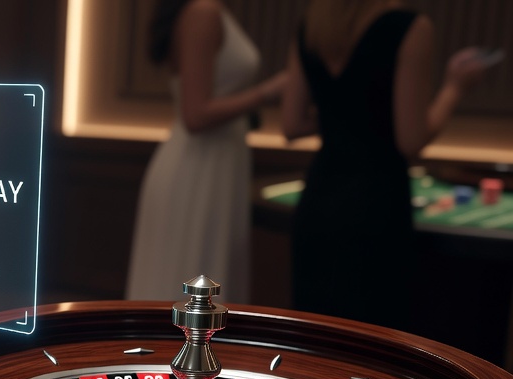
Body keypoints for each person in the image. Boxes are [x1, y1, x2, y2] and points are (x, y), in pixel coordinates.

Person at [281, 0, 494, 331]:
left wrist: (342, 112)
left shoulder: (312, 26)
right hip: (376, 201)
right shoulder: (409, 27)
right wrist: (455, 87)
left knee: (318, 336)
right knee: (375, 340)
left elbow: (292, 124)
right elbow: (410, 139)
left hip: (320, 198)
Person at [125, 0, 286, 303]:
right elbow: (195, 115)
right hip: (199, 170)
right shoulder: (202, 12)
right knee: (187, 285)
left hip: (215, 166)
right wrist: (267, 91)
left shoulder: (204, 11)